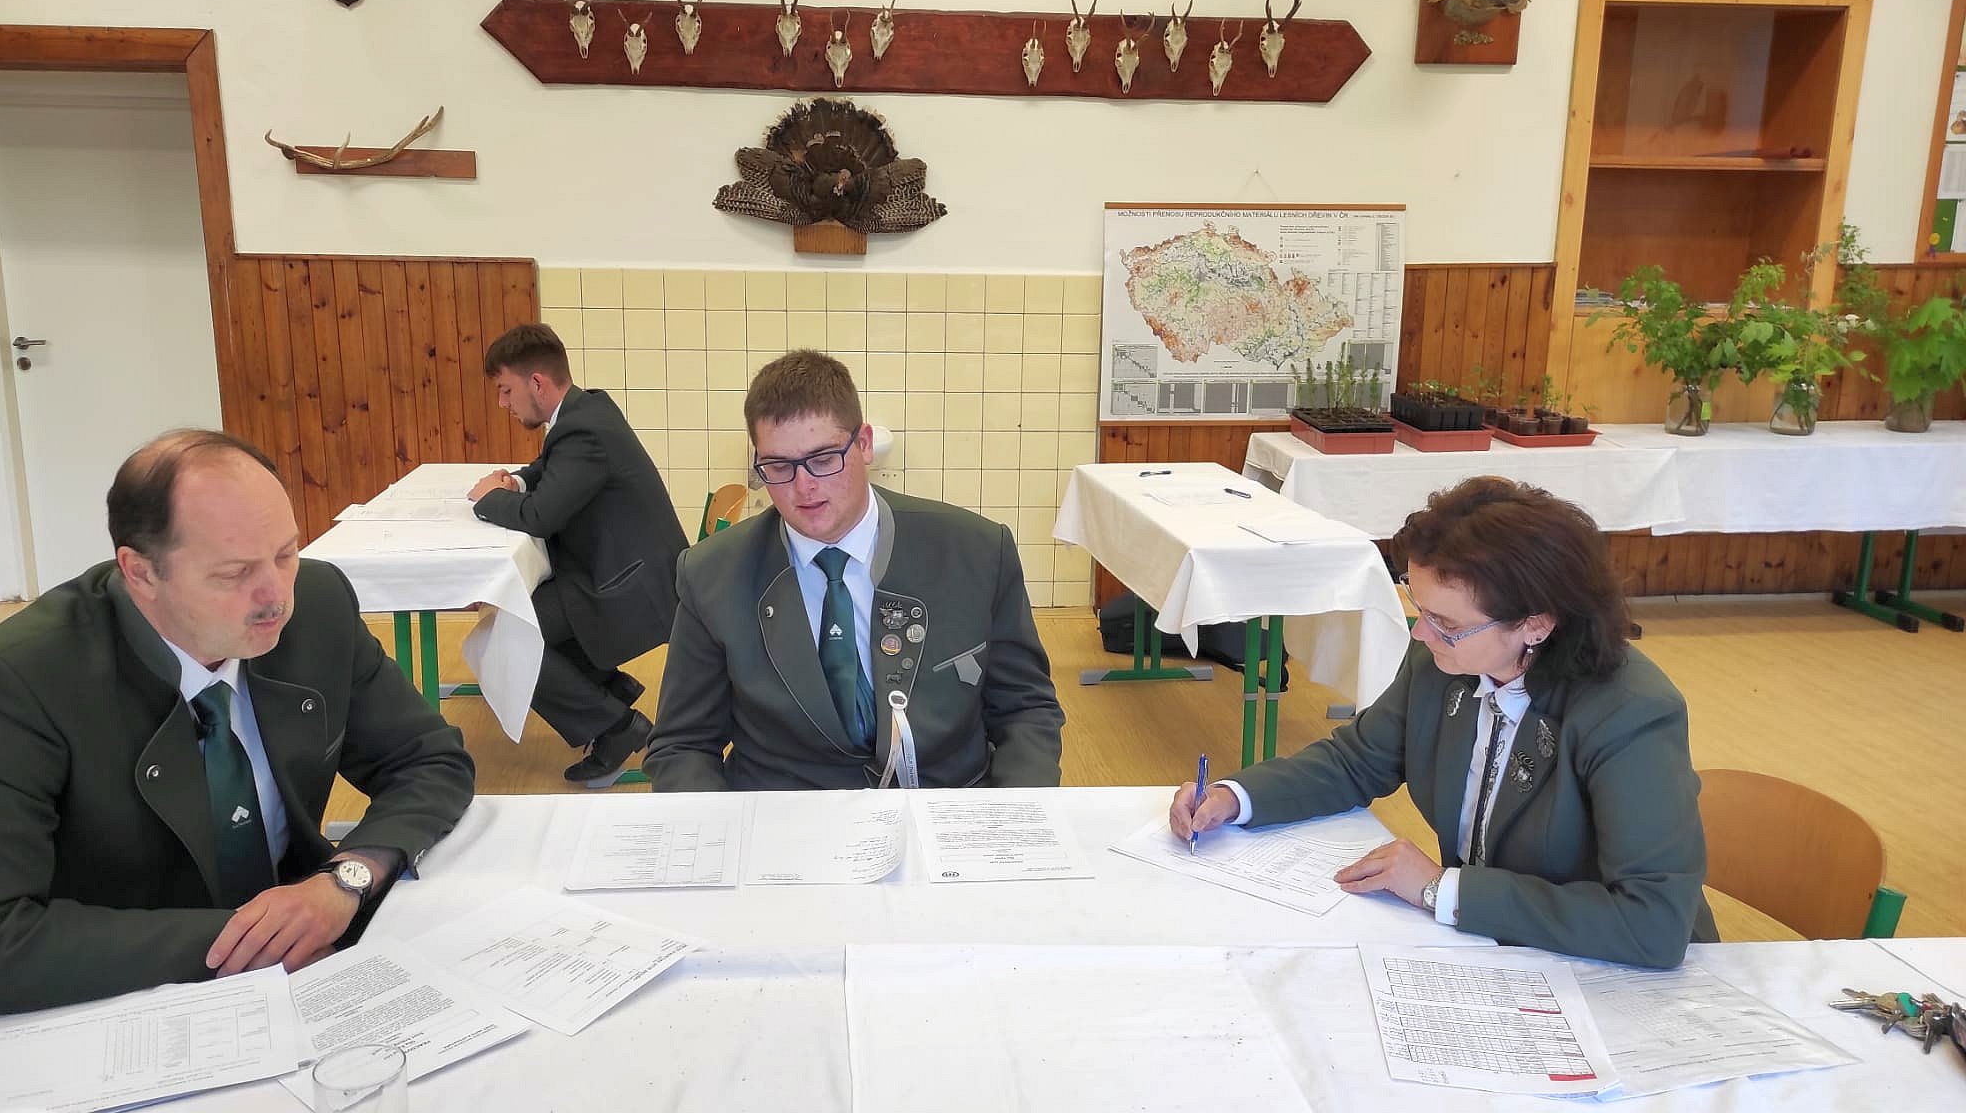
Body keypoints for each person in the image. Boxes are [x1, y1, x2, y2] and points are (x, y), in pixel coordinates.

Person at [0, 431, 476, 1019]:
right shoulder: (23, 679)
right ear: (140, 573)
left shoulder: (317, 605)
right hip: (123, 995)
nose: (276, 596)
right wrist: (258, 941)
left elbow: (428, 758)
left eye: (286, 553)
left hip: (313, 973)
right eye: (234, 573)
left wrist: (346, 878)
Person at [1170, 477, 1716, 968]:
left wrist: (1441, 889)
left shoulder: (1630, 712)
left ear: (1536, 625)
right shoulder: (1445, 663)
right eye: (1419, 606)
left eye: (1446, 622)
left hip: (1612, 974)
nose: (1421, 634)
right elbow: (1357, 762)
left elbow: (1652, 922)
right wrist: (1235, 798)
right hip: (1493, 951)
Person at [645, 350, 1064, 791]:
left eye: (824, 458)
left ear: (863, 444)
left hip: (943, 807)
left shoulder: (976, 551)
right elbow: (684, 744)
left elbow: (1024, 709)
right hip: (786, 813)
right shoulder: (712, 574)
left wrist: (1018, 814)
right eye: (779, 466)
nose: (804, 486)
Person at [468, 324, 688, 787]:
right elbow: (549, 468)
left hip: (629, 586)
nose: (503, 404)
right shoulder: (586, 410)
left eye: (506, 390)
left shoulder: (582, 429)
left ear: (536, 383)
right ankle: (610, 695)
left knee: (508, 636)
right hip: (621, 570)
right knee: (514, 622)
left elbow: (540, 516)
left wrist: (489, 499)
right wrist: (515, 481)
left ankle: (615, 727)